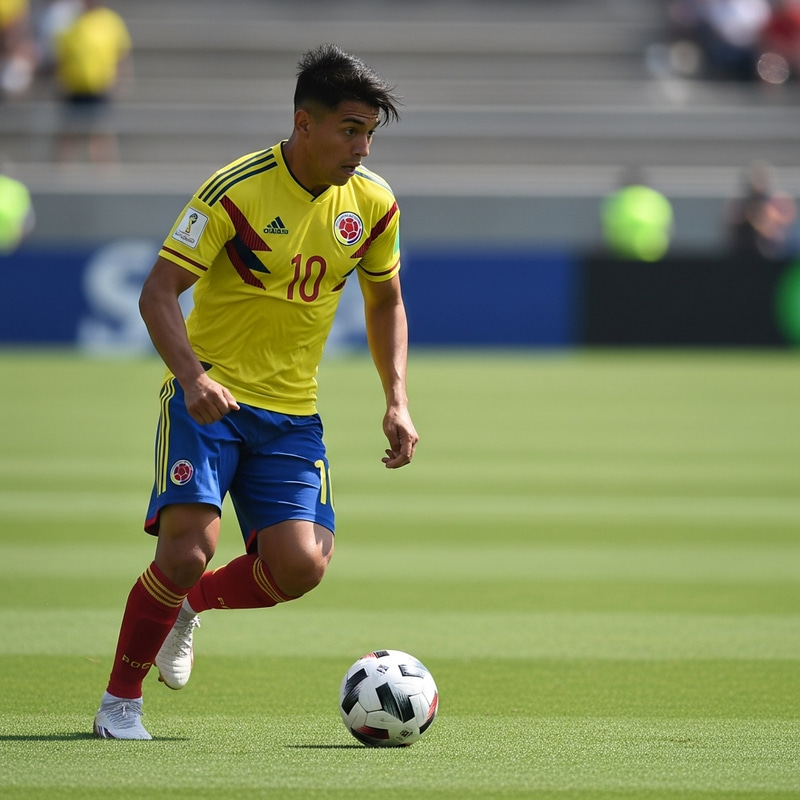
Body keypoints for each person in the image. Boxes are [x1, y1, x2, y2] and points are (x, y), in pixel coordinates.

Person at [93, 44, 418, 740]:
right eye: (349, 130)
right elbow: (158, 293)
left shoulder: (373, 203)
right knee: (184, 552)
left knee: (300, 567)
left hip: (292, 414)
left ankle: (190, 606)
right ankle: (121, 701)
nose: (361, 147)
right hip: (209, 402)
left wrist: (397, 398)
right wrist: (192, 377)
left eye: (369, 134)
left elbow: (386, 300)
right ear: (305, 122)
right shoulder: (233, 190)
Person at [52, 0, 132, 163]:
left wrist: (120, 80)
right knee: (68, 135)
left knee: (100, 135)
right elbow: (62, 56)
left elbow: (121, 55)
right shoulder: (70, 22)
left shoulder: (111, 21)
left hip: (100, 88)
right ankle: (61, 174)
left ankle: (104, 179)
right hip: (74, 87)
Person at [724, 159, 798, 259]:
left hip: (777, 255)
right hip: (744, 254)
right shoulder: (740, 205)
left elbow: (786, 222)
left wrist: (767, 222)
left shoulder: (778, 203)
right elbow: (731, 225)